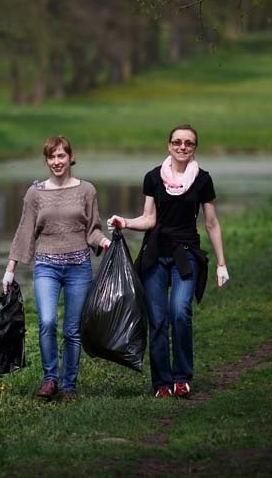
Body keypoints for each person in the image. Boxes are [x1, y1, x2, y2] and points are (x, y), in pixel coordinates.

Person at [108, 124, 229, 399]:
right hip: (155, 255)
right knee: (158, 318)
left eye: (188, 143)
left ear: (195, 147)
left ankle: (183, 377)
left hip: (186, 254)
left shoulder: (203, 180)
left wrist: (221, 264)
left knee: (180, 311)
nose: (182, 147)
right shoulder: (153, 177)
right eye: (177, 142)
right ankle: (162, 383)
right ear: (169, 145)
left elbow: (211, 224)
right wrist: (124, 222)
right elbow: (149, 218)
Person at [2, 136, 111, 400]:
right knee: (48, 321)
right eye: (51, 157)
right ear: (46, 160)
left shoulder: (87, 190)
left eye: (61, 156)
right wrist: (10, 268)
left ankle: (69, 385)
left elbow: (92, 230)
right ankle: (50, 379)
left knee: (72, 330)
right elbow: (25, 231)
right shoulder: (35, 193)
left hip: (79, 268)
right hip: (47, 266)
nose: (56, 162)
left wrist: (105, 241)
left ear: (70, 157)